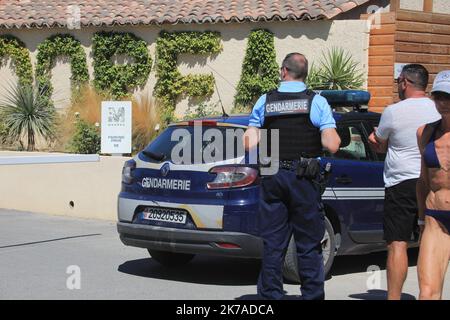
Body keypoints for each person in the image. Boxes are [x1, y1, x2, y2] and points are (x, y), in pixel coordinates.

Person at [243, 53, 341, 300]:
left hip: (272, 176)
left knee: (273, 244)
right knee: (308, 245)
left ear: (283, 71)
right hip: (304, 179)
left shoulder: (265, 100)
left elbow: (249, 142)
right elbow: (332, 145)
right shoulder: (316, 102)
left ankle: (270, 297)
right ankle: (312, 296)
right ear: (304, 74)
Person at [368, 64, 441, 300]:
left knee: (397, 243)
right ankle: (429, 293)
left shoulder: (393, 111)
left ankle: (394, 297)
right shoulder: (437, 109)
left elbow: (380, 143)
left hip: (400, 183)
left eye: (398, 81)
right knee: (430, 242)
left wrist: (373, 139)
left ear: (405, 83)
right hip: (430, 181)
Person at [416, 70, 450, 300]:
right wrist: (420, 217)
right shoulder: (425, 132)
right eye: (439, 96)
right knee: (427, 292)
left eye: (448, 97)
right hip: (435, 218)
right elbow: (422, 179)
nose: (443, 102)